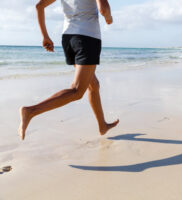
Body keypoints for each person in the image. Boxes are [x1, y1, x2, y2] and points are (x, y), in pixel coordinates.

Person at [18, 0, 119, 140]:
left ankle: (102, 126)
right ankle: (30, 111)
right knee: (77, 91)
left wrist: (45, 36)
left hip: (68, 39)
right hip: (87, 39)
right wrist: (109, 18)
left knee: (93, 84)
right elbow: (104, 9)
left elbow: (39, 6)